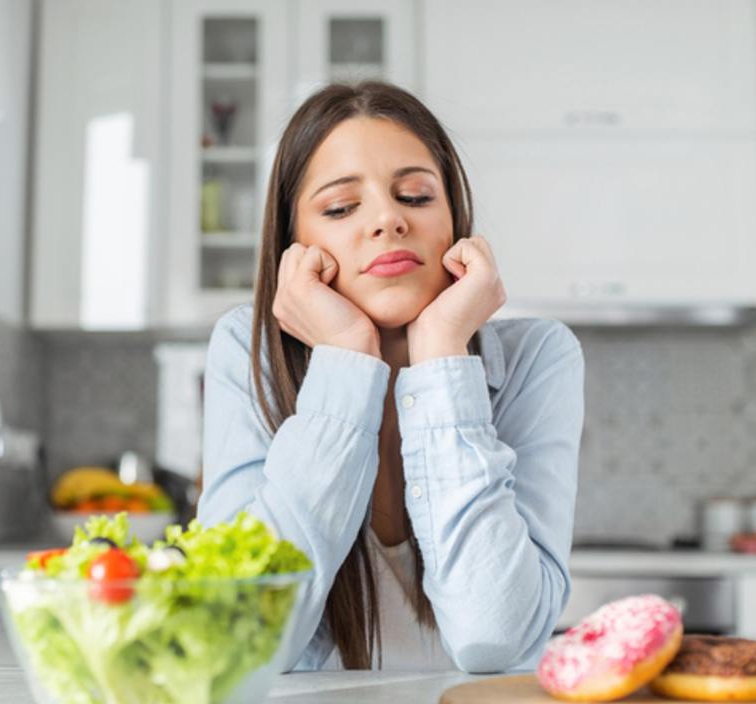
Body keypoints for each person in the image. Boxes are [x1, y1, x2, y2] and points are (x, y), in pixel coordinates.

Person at [196, 81, 584, 673]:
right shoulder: (244, 351)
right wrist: (348, 360)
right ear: (295, 246)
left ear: (454, 222)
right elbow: (236, 638)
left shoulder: (541, 357)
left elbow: (495, 636)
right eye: (340, 208)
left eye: (415, 196)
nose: (387, 219)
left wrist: (442, 356)